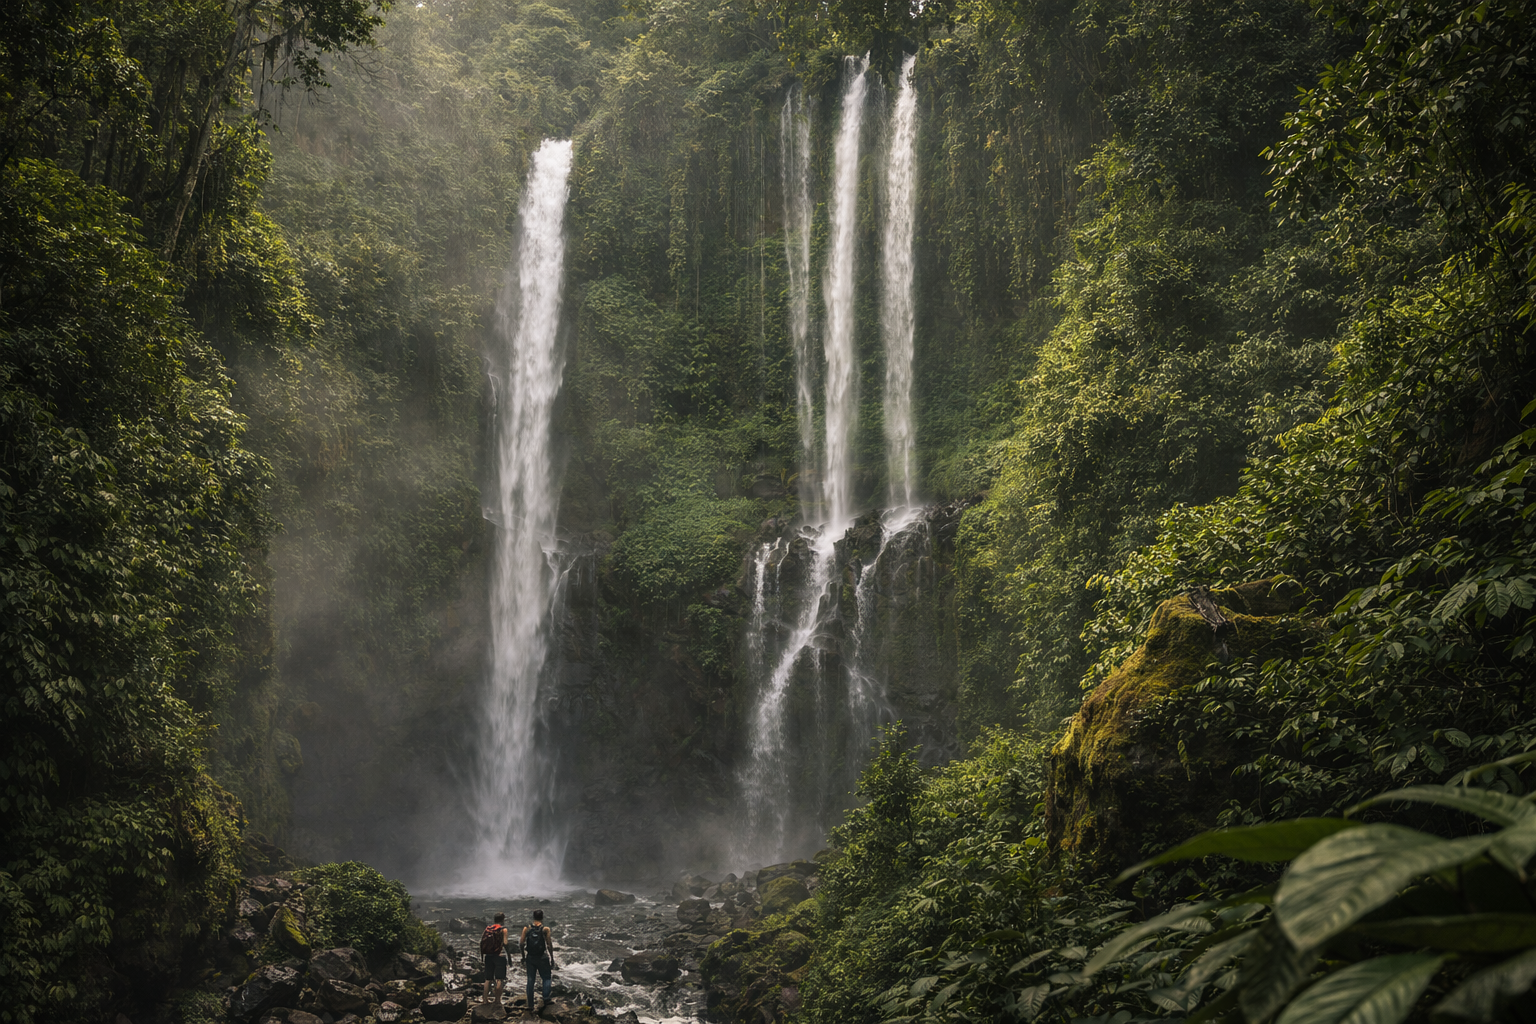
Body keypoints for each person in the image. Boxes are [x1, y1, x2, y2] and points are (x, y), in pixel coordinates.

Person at [520, 909, 556, 1014]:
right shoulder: (545, 929)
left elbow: (521, 943)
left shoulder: (527, 928)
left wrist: (523, 956)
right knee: (546, 977)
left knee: (530, 980)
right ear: (542, 917)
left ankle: (530, 1005)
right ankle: (546, 998)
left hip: (530, 957)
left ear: (533, 917)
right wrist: (552, 958)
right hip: (542, 957)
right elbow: (549, 944)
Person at [480, 912, 510, 1005]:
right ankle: (497, 1000)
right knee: (499, 979)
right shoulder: (503, 929)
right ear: (503, 920)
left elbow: (481, 941)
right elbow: (505, 943)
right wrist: (509, 954)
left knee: (488, 979)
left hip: (488, 955)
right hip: (499, 955)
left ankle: (485, 1000)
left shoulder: (488, 929)